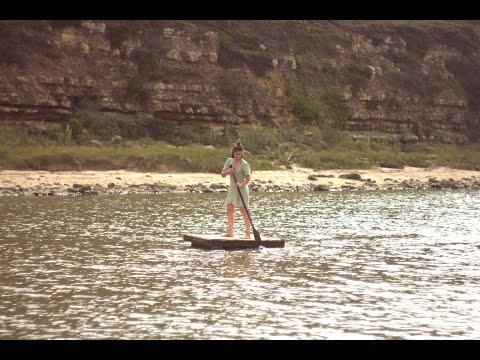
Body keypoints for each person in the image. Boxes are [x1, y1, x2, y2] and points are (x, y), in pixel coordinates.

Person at [220, 140, 252, 239]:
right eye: (235, 154)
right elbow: (222, 174)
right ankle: (230, 232)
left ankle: (247, 233)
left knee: (244, 211)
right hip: (233, 189)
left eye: (239, 154)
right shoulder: (229, 161)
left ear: (242, 154)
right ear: (233, 153)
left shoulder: (245, 164)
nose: (237, 156)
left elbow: (248, 178)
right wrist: (228, 172)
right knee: (229, 210)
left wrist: (241, 184)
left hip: (242, 189)